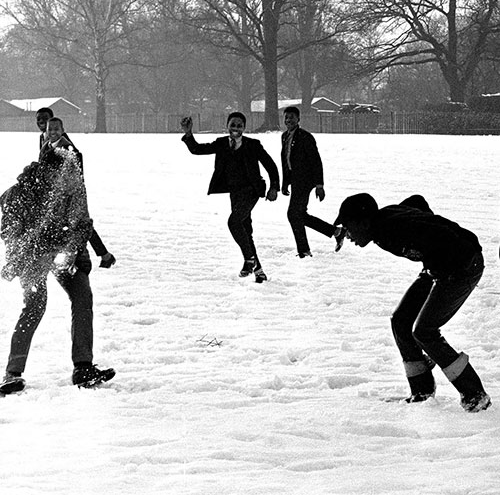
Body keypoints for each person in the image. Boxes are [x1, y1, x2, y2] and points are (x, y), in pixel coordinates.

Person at [332, 192, 491, 413]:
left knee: (425, 331)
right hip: (439, 267)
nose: (348, 234)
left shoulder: (391, 230)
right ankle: (422, 390)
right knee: (401, 321)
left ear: (364, 222)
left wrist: (439, 271)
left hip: (462, 266)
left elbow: (443, 234)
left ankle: (475, 394)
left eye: (349, 227)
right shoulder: (385, 221)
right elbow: (416, 202)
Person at [0, 150, 115, 394]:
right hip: (32, 252)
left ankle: (83, 367)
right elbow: (10, 229)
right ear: (48, 170)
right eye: (65, 172)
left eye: (73, 172)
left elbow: (84, 224)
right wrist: (15, 258)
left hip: (64, 251)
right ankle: (12, 373)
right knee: (35, 304)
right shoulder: (20, 192)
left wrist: (75, 251)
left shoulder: (73, 190)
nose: (70, 177)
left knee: (83, 297)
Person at [180, 112, 279, 282]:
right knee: (245, 231)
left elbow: (270, 165)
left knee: (234, 222)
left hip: (252, 191)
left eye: (239, 125)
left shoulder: (253, 145)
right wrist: (188, 134)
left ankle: (249, 260)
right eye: (233, 125)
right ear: (227, 126)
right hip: (235, 192)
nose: (236, 128)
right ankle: (259, 271)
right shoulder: (221, 144)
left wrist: (274, 187)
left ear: (244, 128)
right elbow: (198, 150)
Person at [35, 109, 115, 270]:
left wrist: (72, 188)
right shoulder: (43, 139)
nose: (42, 122)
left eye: (46, 119)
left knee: (79, 223)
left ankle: (89, 258)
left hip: (71, 191)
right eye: (39, 119)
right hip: (55, 191)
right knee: (75, 223)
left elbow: (75, 162)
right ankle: (103, 255)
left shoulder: (65, 144)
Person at [281, 106, 333, 257]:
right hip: (295, 180)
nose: (288, 120)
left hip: (306, 181)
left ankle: (304, 250)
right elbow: (286, 161)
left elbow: (316, 161)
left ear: (298, 119)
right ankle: (336, 231)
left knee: (293, 214)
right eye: (286, 117)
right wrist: (285, 183)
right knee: (300, 215)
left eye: (291, 117)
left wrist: (319, 185)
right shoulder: (284, 136)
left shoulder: (305, 137)